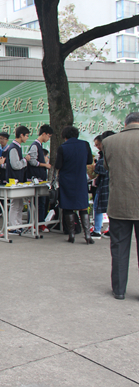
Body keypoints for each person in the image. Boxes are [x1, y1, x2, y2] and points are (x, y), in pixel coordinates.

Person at [102, 112, 139, 300]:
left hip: (119, 203)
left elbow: (108, 167)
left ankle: (119, 290)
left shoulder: (109, 142)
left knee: (119, 248)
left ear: (125, 123)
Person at [55, 126, 93, 244]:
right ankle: (87, 235)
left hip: (66, 180)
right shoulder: (85, 145)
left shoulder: (62, 148)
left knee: (68, 206)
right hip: (81, 179)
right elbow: (89, 161)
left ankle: (71, 234)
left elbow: (58, 165)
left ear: (64, 136)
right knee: (83, 206)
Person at [27, 125, 53, 232]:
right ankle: (33, 224)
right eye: (48, 136)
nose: (48, 138)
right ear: (44, 134)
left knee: (42, 203)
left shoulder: (39, 145)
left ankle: (40, 223)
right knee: (36, 203)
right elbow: (32, 161)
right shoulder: (34, 146)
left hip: (41, 179)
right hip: (36, 179)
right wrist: (44, 165)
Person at [6, 126, 31, 233]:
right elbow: (15, 165)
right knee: (15, 203)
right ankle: (13, 226)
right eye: (26, 136)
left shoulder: (17, 147)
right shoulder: (13, 148)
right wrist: (25, 160)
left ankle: (18, 224)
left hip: (18, 180)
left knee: (19, 203)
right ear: (21, 135)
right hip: (13, 180)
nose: (27, 138)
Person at [91, 131, 115, 239]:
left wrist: (95, 165)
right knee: (111, 208)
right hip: (113, 183)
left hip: (105, 184)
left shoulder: (107, 154)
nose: (97, 147)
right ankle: (111, 229)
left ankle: (97, 230)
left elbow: (99, 168)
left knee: (98, 206)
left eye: (98, 144)